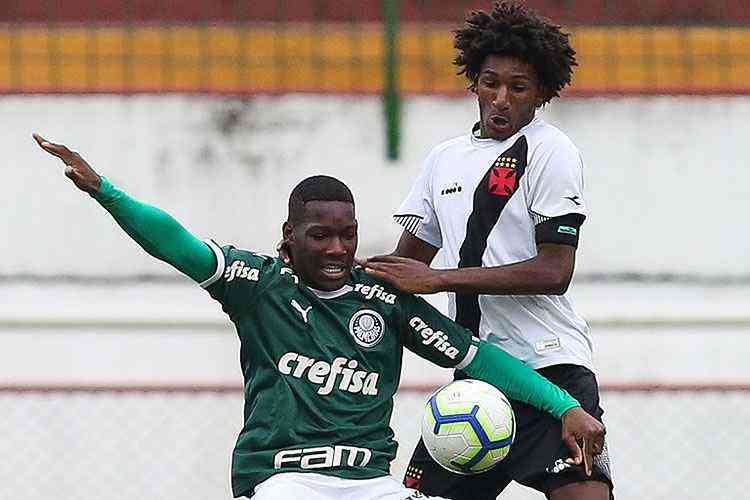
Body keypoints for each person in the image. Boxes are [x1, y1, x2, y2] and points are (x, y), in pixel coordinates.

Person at [33, 132, 604, 500]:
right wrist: (104, 190)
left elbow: (481, 360)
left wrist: (565, 407)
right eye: (320, 235)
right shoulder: (256, 285)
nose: (337, 248)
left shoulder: (383, 300)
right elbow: (176, 244)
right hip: (283, 481)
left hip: (370, 485)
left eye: (347, 235)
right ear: (291, 236)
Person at [361, 2, 614, 500]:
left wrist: (440, 280)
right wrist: (330, 275)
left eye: (518, 88)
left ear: (541, 92)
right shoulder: (443, 160)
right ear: (473, 81)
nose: (501, 99)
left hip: (550, 367)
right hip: (477, 378)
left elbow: (554, 270)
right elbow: (406, 266)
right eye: (489, 83)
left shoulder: (549, 150)